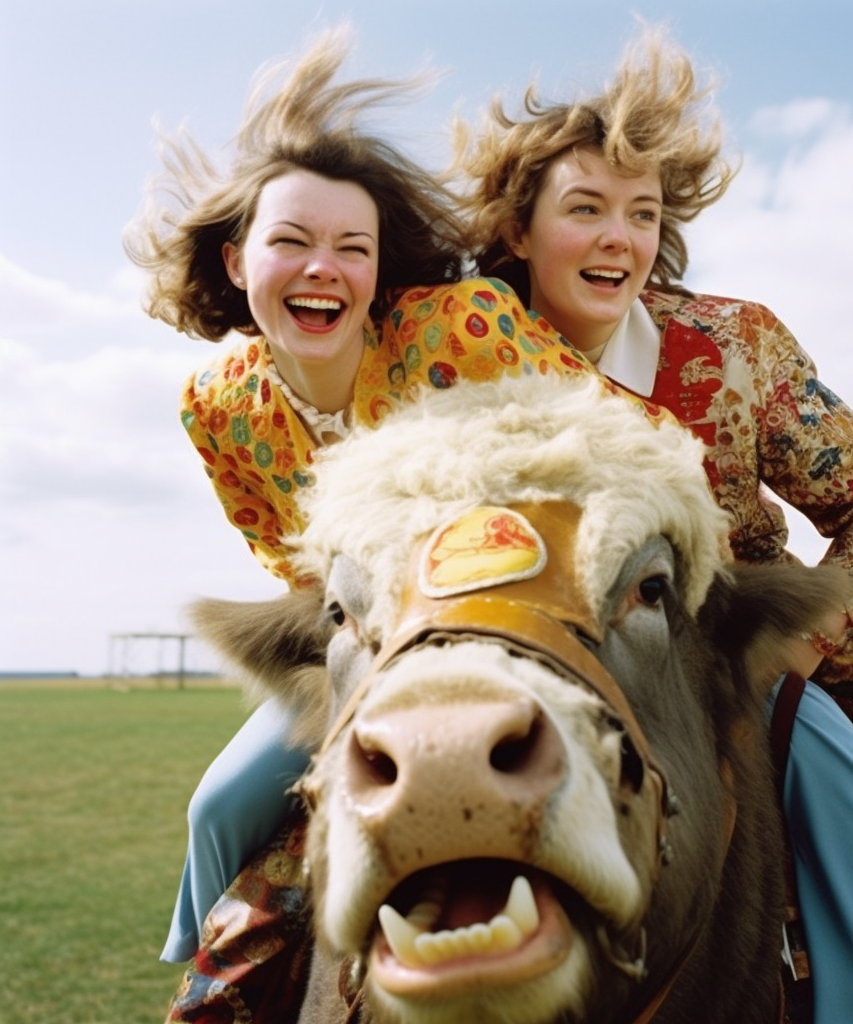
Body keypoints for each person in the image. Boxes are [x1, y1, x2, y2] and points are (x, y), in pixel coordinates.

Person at [452, 27, 853, 1024]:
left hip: (748, 642)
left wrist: (810, 638)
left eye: (641, 213)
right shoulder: (458, 347)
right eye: (583, 210)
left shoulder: (734, 342)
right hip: (537, 646)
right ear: (517, 228)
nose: (618, 240)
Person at [126, 28, 648, 1019]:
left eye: (351, 247)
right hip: (370, 645)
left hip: (522, 625)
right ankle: (215, 981)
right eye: (291, 241)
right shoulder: (216, 407)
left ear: (376, 271)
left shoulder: (459, 332)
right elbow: (288, 562)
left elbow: (622, 439)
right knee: (217, 808)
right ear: (239, 261)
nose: (323, 267)